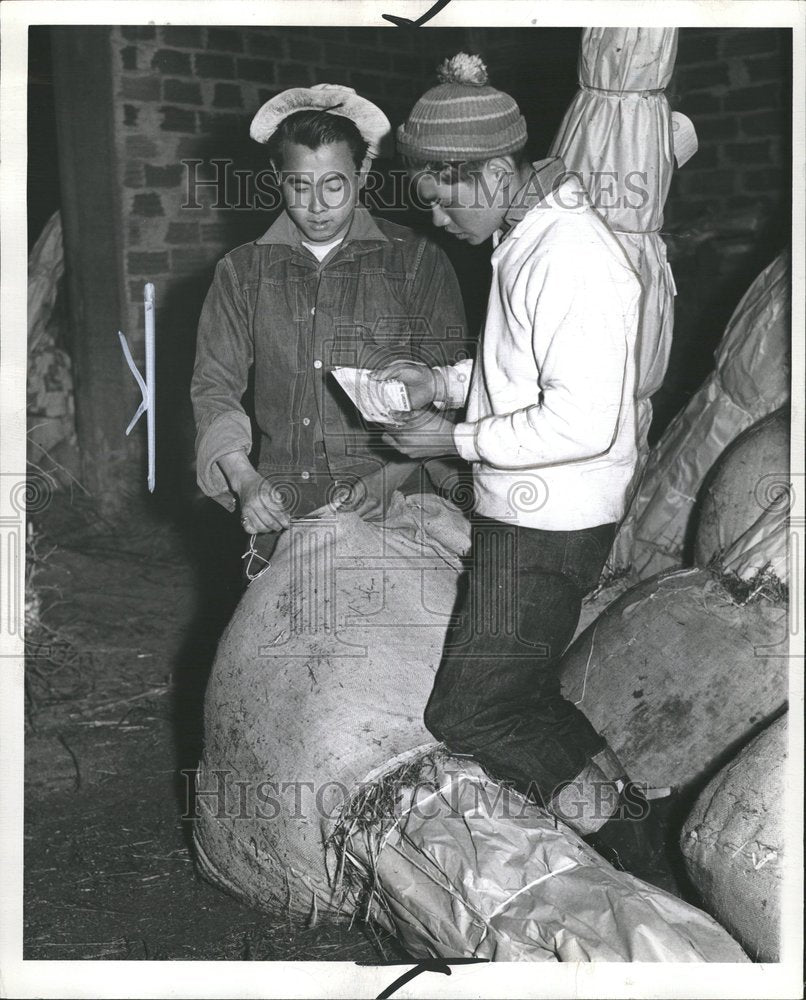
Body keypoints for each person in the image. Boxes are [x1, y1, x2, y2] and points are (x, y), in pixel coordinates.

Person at [377, 54, 674, 889]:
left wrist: (456, 443)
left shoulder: (570, 257)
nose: (437, 217)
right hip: (529, 508)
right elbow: (525, 375)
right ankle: (624, 811)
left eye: (445, 196)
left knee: (474, 708)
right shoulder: (527, 233)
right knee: (514, 691)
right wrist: (447, 383)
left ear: (497, 171)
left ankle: (640, 847)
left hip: (553, 520)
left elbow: (581, 420)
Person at [191, 84, 469, 577]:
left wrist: (390, 478)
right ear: (277, 177)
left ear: (361, 175)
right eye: (300, 186)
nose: (318, 206)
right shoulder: (240, 272)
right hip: (281, 498)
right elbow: (215, 390)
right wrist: (244, 479)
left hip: (400, 495)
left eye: (335, 185)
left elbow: (449, 389)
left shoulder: (418, 261)